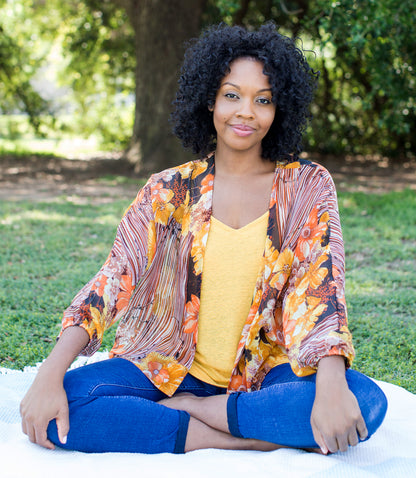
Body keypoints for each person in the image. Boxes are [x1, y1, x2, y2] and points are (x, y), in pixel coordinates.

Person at [20, 23, 387, 455]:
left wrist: (329, 386)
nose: (246, 112)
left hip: (265, 373)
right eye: (232, 95)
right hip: (169, 366)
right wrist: (48, 374)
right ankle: (242, 437)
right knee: (68, 402)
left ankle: (197, 411)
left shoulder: (306, 186)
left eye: (263, 99)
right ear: (209, 98)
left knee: (364, 402)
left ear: (280, 108)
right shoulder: (168, 191)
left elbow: (323, 287)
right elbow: (115, 277)